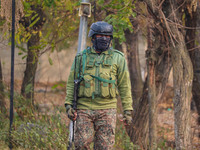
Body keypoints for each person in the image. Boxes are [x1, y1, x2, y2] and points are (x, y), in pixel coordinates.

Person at [65, 21, 133, 150]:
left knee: (104, 146)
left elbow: (125, 85)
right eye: (100, 36)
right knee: (81, 144)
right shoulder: (81, 57)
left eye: (107, 36)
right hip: (84, 108)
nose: (104, 39)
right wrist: (68, 105)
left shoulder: (118, 58)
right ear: (93, 37)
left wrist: (127, 110)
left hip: (107, 110)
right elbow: (71, 83)